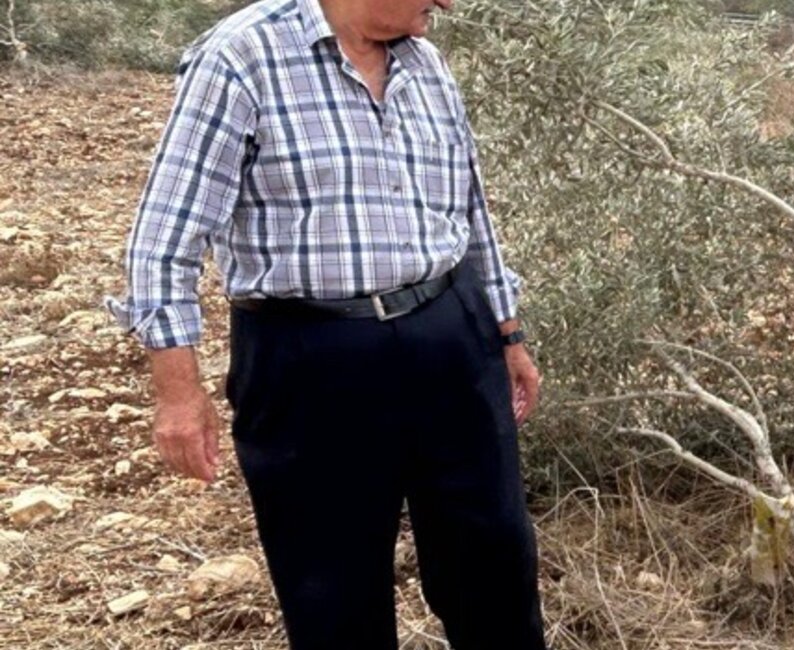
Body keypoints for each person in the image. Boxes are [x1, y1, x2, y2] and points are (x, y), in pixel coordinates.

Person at [105, 0, 548, 647]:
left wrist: (507, 332)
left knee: (496, 574)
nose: (447, 3)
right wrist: (177, 393)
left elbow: (471, 214)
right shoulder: (241, 57)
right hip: (310, 358)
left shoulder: (427, 64)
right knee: (333, 597)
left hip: (454, 338)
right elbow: (163, 240)